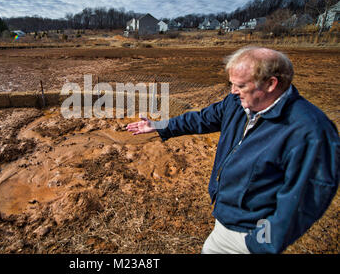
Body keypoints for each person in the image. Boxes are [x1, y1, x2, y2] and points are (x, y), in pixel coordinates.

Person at [126, 46, 339, 254]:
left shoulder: (310, 131)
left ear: (270, 84)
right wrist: (160, 125)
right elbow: (202, 119)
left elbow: (305, 200)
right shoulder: (238, 103)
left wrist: (260, 244)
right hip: (227, 217)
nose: (233, 91)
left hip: (250, 233)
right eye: (231, 84)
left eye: (240, 85)